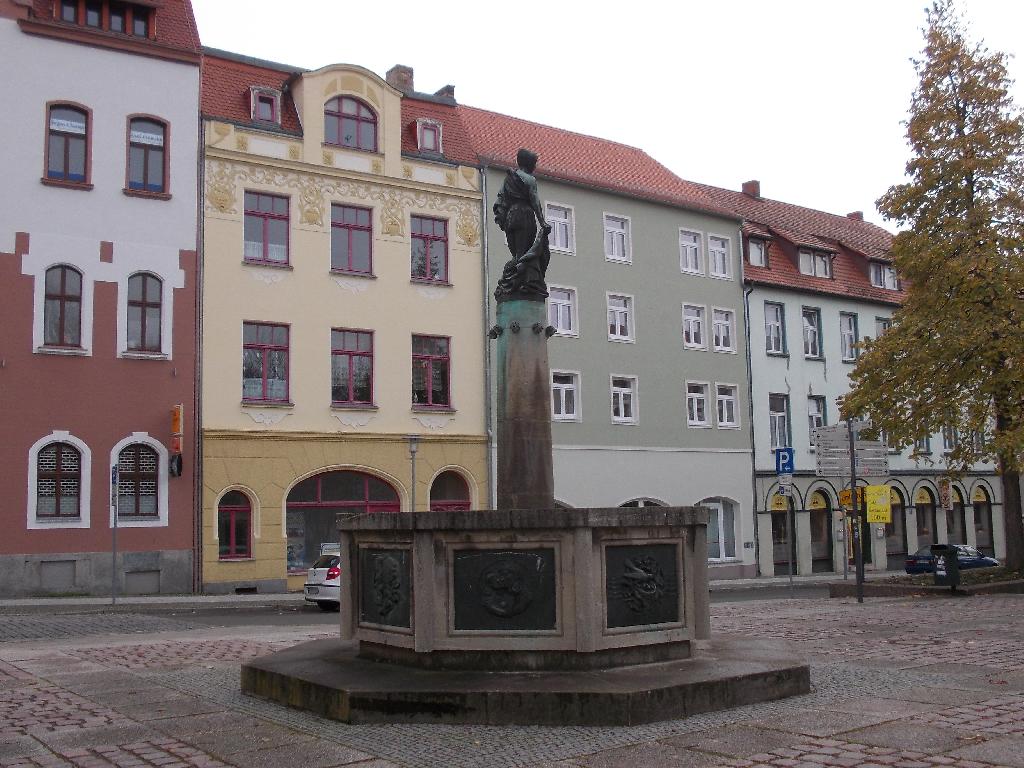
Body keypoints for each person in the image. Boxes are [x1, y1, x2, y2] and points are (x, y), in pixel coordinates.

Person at [493, 148, 552, 300]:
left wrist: (503, 219)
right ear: (529, 163)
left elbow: (501, 199)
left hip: (510, 218)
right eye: (535, 163)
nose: (535, 166)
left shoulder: (509, 178)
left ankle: (512, 285)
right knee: (523, 255)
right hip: (524, 216)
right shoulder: (529, 179)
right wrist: (542, 222)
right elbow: (534, 201)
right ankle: (524, 285)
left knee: (516, 255)